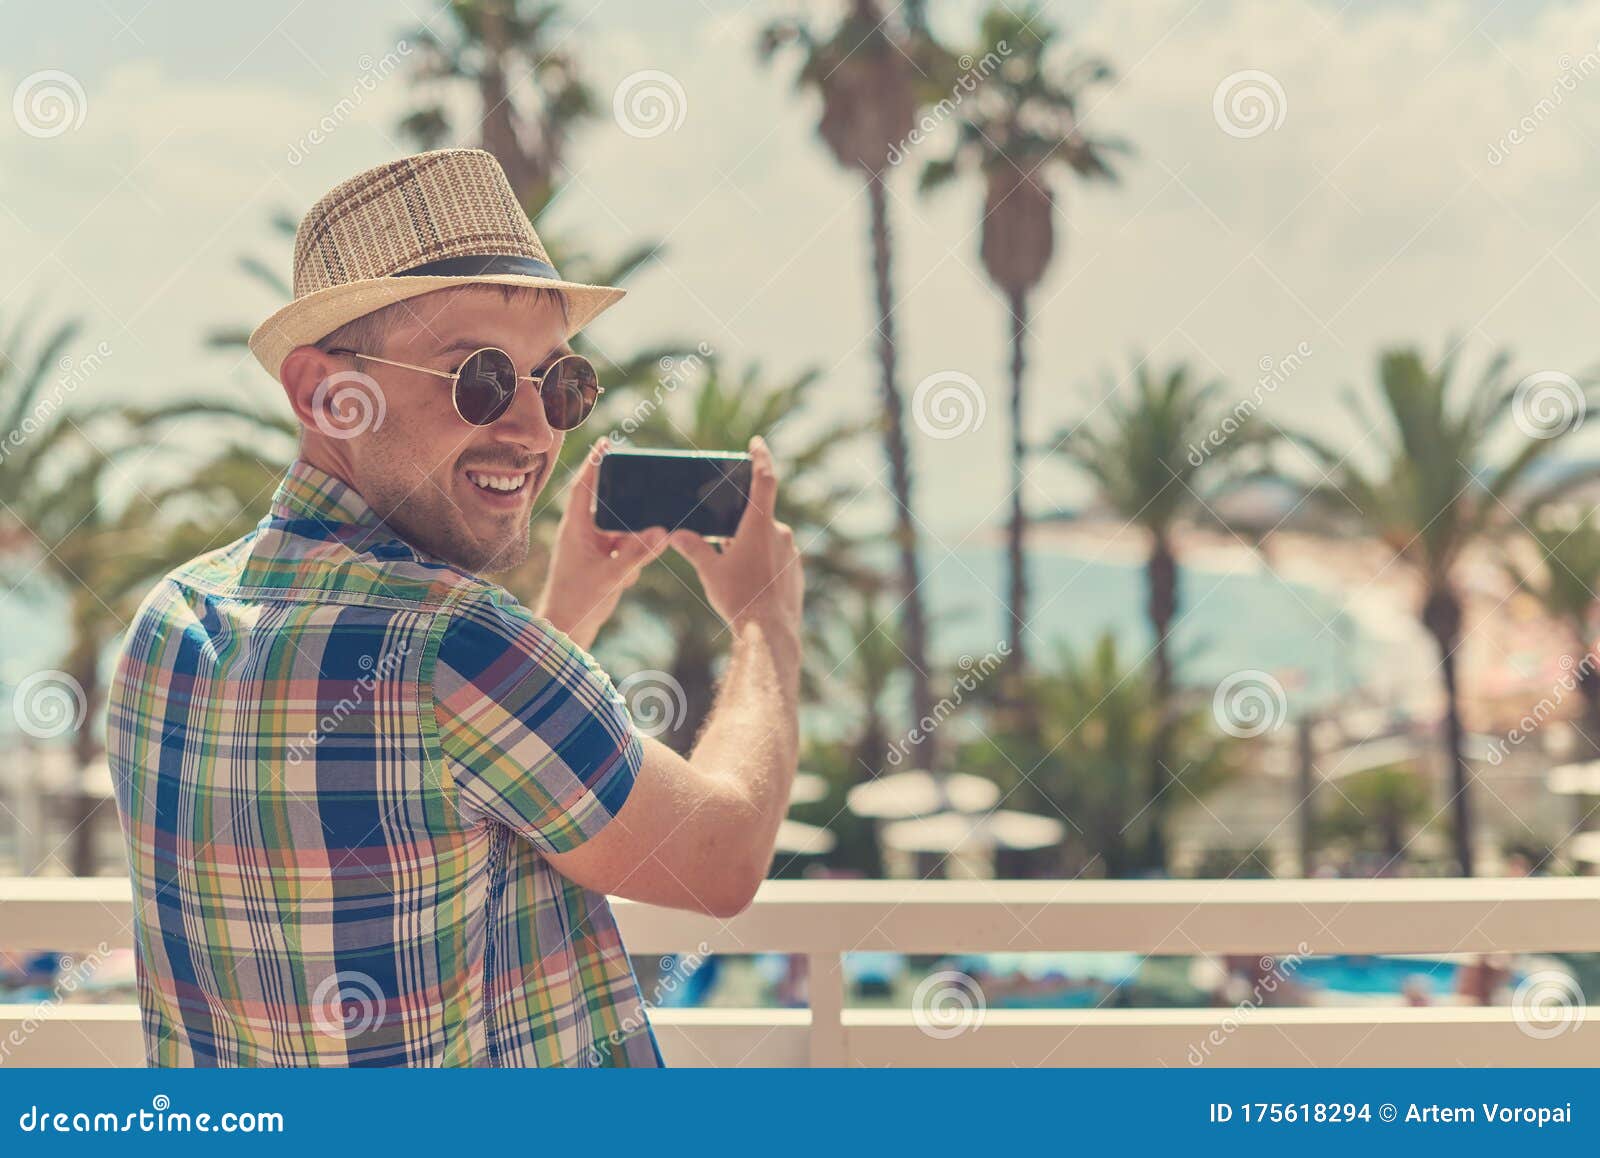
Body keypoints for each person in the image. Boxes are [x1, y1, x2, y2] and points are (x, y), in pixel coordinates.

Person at [105, 149, 804, 1067]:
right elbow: (722, 859)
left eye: (561, 385)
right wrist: (764, 621)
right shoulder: (458, 645)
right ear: (326, 394)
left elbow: (429, 785)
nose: (529, 429)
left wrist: (562, 614)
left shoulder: (171, 623)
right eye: (477, 378)